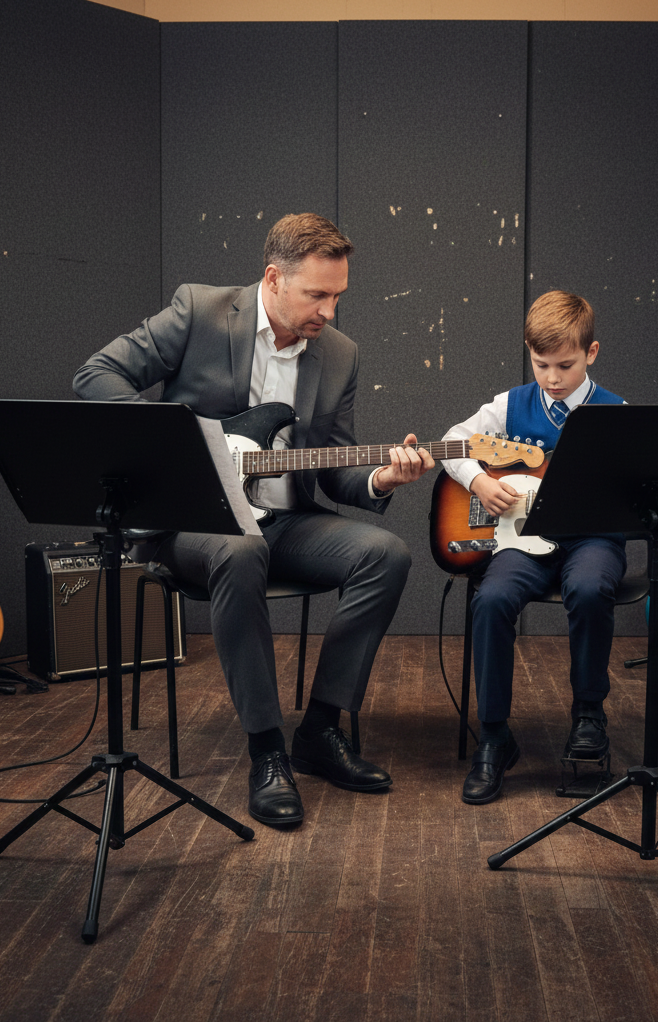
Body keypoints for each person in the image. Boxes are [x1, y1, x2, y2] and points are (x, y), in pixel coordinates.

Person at [73, 213, 434, 828]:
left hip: (285, 521)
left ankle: (319, 731)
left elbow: (335, 466)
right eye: (316, 295)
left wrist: (381, 478)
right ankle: (267, 752)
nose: (329, 312)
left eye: (338, 296)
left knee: (385, 554)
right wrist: (184, 444)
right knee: (241, 551)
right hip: (193, 521)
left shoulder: (339, 355)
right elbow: (95, 375)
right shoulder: (200, 311)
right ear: (273, 279)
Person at [440, 290, 626, 804]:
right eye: (541, 365)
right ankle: (494, 736)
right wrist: (478, 480)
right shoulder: (509, 405)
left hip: (592, 540)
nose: (552, 378)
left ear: (591, 353)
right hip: (521, 541)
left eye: (565, 365)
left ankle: (589, 714)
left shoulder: (617, 412)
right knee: (491, 598)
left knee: (589, 589)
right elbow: (452, 441)